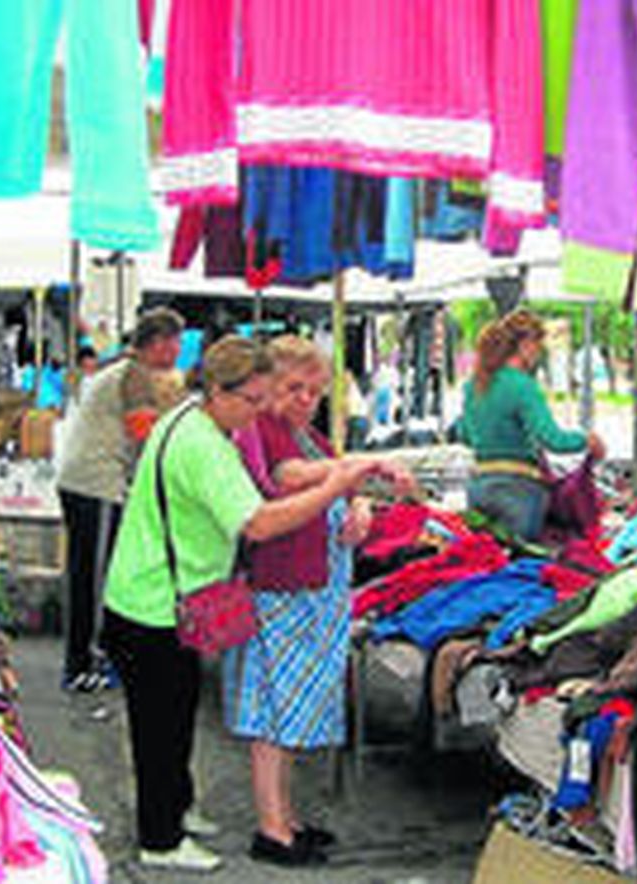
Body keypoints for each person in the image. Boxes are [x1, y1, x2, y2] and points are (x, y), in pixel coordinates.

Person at [101, 336, 376, 873]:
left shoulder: (190, 418)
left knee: (174, 718)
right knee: (159, 728)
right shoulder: (204, 444)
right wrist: (338, 484)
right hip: (153, 602)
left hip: (157, 594)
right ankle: (160, 839)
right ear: (218, 392)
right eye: (251, 400)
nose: (258, 412)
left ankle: (175, 810)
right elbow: (260, 522)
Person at [227, 336, 412, 868]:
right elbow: (293, 479)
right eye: (293, 388)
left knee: (289, 714)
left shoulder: (303, 434)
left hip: (311, 590)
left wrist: (359, 507)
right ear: (267, 387)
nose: (305, 398)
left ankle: (285, 817)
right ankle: (271, 828)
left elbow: (332, 478)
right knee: (272, 712)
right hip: (281, 589)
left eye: (314, 390)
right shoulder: (261, 431)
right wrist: (363, 469)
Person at [55, 308, 185, 692]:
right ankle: (85, 664)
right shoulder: (135, 375)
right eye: (176, 341)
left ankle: (88, 658)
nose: (179, 350)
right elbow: (145, 433)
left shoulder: (119, 369)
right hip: (99, 483)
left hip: (86, 482)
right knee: (96, 581)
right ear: (158, 342)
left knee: (88, 575)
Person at [459, 310, 604, 540]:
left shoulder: (473, 385)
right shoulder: (523, 386)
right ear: (526, 344)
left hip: (478, 488)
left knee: (486, 562)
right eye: (538, 345)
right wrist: (586, 440)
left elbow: (464, 434)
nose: (539, 353)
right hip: (517, 491)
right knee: (520, 565)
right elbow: (552, 439)